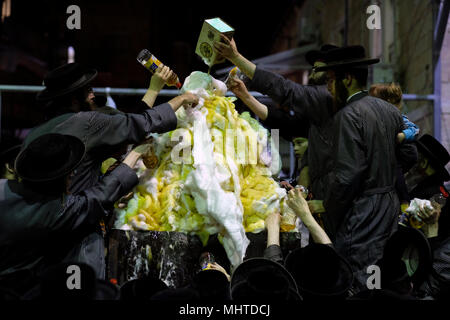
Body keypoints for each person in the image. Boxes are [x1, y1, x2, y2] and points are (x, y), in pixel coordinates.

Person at [21, 63, 198, 279]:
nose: (93, 94)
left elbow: (123, 127)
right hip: (78, 233)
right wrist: (181, 99)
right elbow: (139, 124)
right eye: (88, 90)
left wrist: (154, 88)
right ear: (74, 98)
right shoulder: (86, 122)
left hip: (36, 235)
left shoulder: (35, 134)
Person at [0, 133, 145, 296]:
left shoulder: (4, 188)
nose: (74, 173)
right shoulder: (52, 210)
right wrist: (136, 153)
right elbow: (99, 197)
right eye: (69, 171)